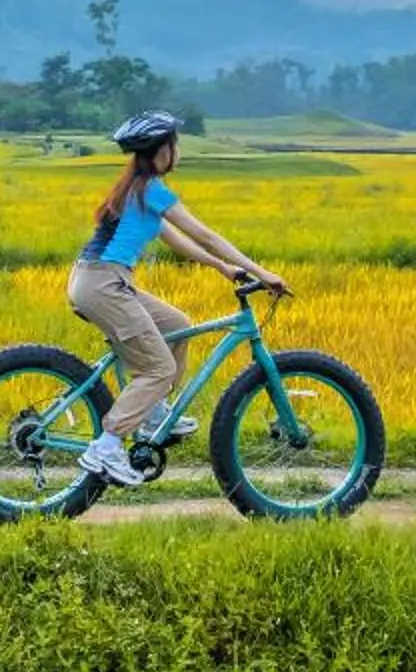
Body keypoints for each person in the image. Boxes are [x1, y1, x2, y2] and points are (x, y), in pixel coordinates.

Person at [68, 110, 292, 488]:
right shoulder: (152, 190)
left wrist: (223, 268)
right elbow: (205, 235)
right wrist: (261, 272)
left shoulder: (138, 190)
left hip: (99, 279)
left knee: (177, 325)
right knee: (158, 370)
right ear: (161, 151)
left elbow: (183, 243)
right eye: (175, 143)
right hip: (104, 284)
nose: (179, 150)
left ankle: (153, 413)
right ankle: (107, 446)